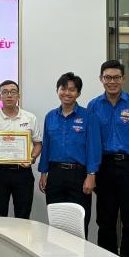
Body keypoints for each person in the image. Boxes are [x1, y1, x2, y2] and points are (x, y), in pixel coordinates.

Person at [87, 60, 129, 257]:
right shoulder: (93, 106)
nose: (112, 81)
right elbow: (91, 143)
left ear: (123, 78)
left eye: (116, 77)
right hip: (104, 168)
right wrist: (92, 172)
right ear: (101, 79)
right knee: (105, 220)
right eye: (107, 77)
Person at [38, 72, 101, 238]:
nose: (67, 93)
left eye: (72, 90)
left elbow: (93, 148)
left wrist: (91, 175)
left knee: (79, 222)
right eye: (63, 88)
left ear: (78, 93)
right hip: (55, 174)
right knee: (56, 221)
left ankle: (79, 253)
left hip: (79, 175)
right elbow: (46, 146)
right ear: (57, 90)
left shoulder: (89, 116)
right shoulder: (50, 116)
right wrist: (43, 172)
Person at [0, 80, 42, 219]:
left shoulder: (30, 118)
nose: (9, 95)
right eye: (5, 92)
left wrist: (32, 158)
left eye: (13, 92)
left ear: (18, 96)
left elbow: (38, 144)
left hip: (23, 172)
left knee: (23, 216)